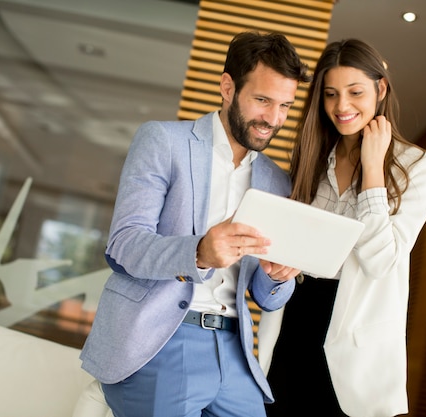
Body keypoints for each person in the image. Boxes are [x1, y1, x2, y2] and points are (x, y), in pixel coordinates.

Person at [79, 31, 310, 417]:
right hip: (162, 340)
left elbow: (268, 299)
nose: (273, 119)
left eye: (285, 106)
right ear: (227, 87)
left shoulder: (277, 181)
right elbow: (123, 245)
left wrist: (278, 277)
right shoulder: (163, 142)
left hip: (235, 351)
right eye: (263, 100)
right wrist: (199, 252)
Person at [262, 38, 426, 417]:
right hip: (293, 323)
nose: (342, 106)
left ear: (381, 88)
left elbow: (381, 261)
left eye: (355, 92)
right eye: (330, 94)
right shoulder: (312, 158)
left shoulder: (418, 167)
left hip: (352, 342)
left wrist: (373, 169)